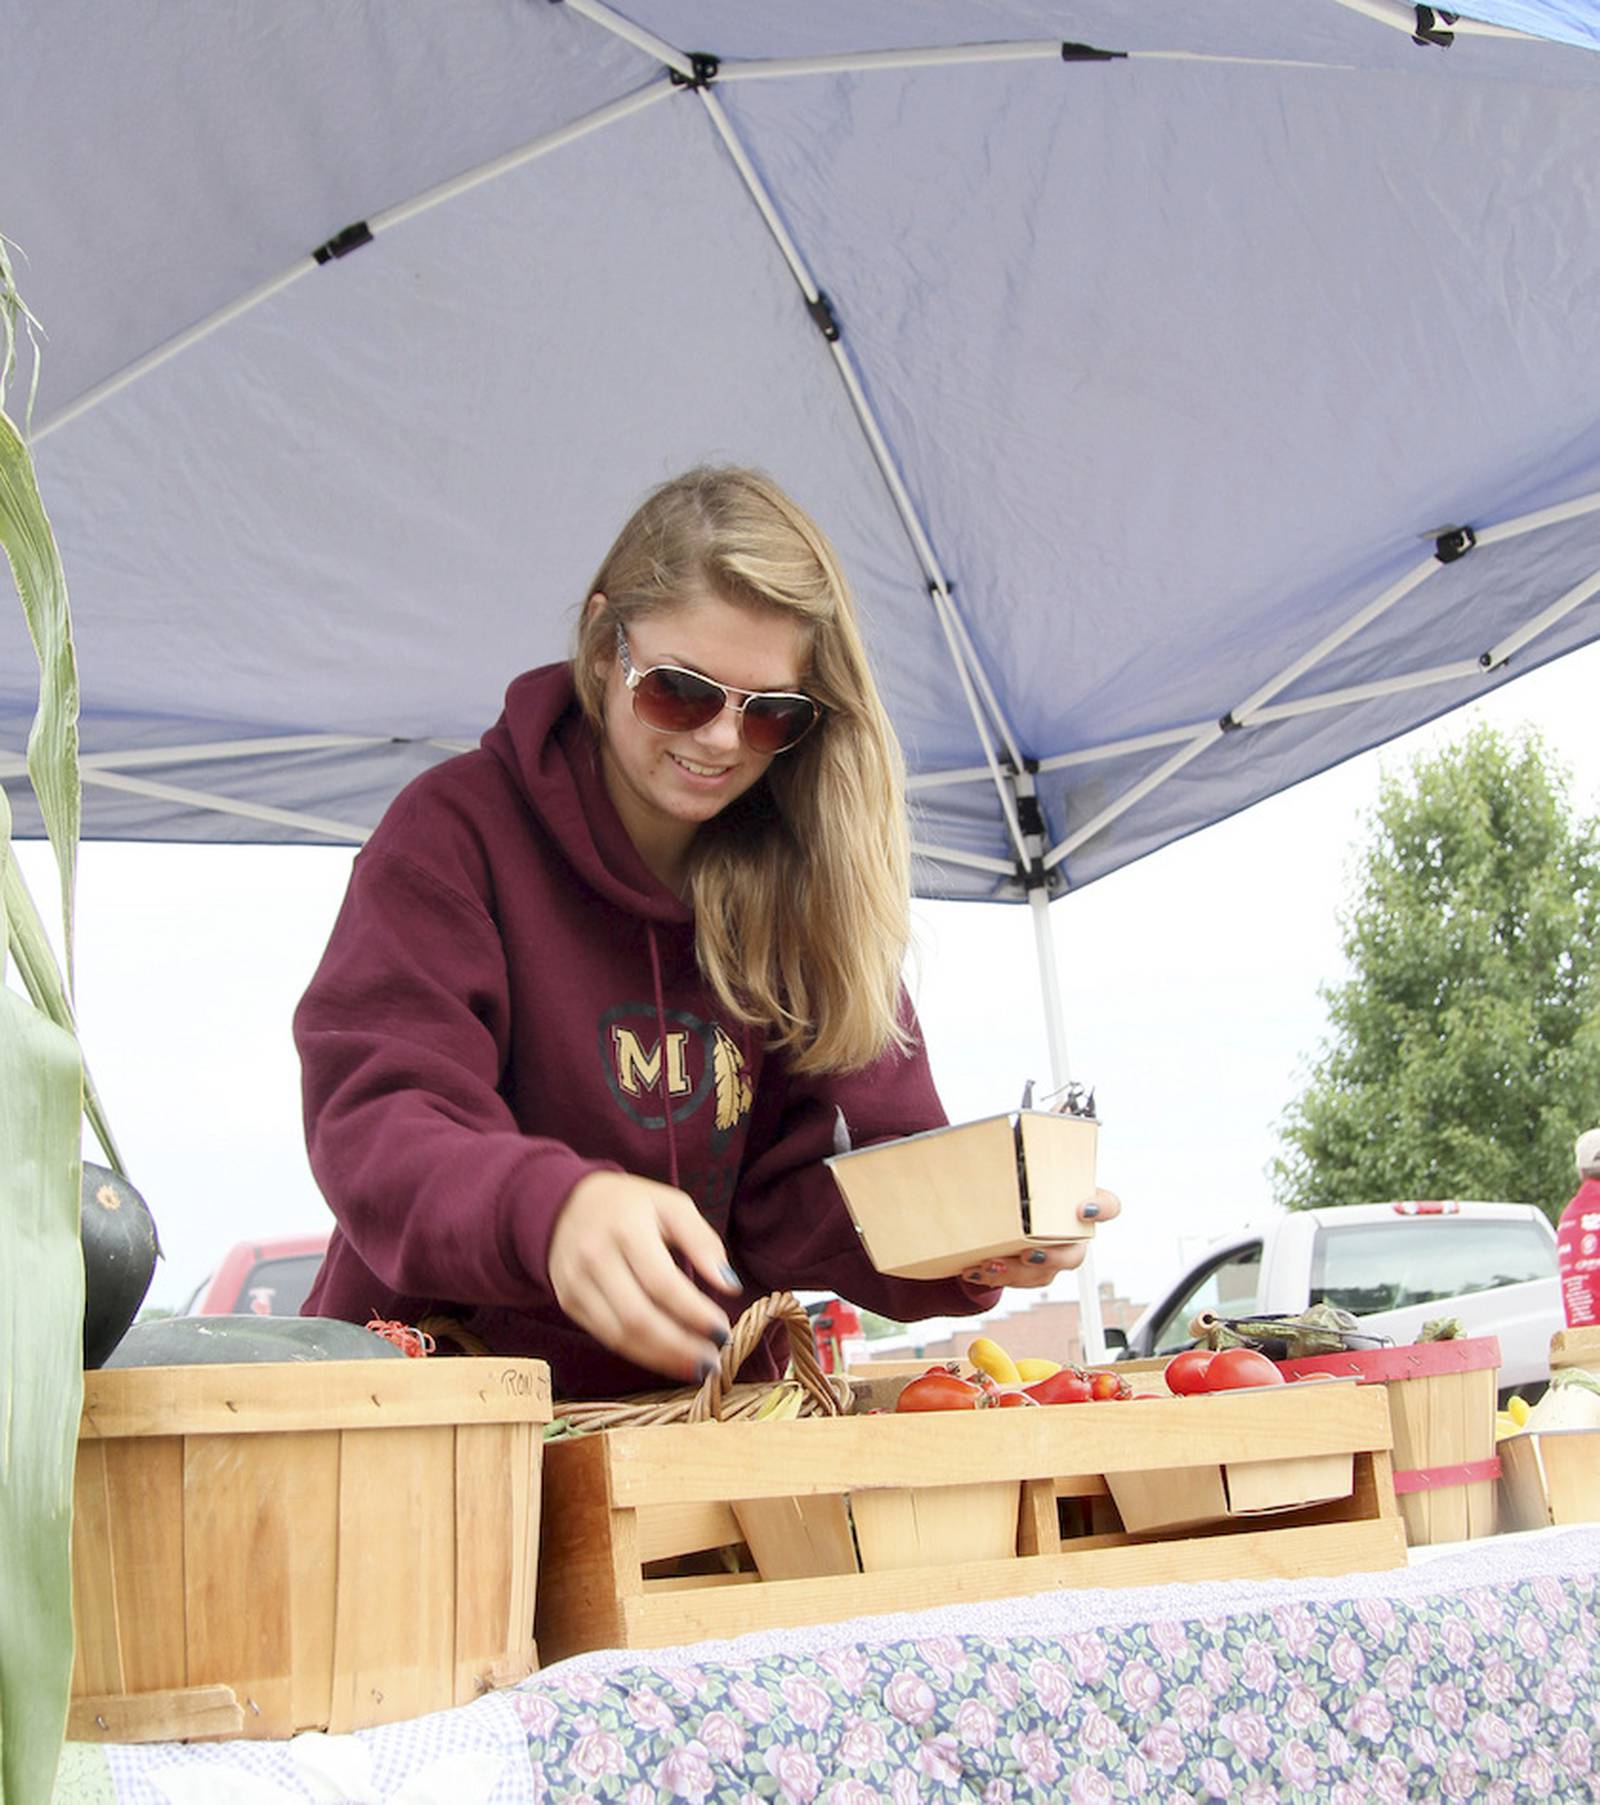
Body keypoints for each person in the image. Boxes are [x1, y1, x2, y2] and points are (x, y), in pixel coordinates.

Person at [295, 466, 1116, 1398]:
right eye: (682, 693)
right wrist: (552, 1210)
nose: (723, 740)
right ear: (605, 645)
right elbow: (381, 1121)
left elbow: (818, 1196)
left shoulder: (807, 881)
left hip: (708, 1425)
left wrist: (985, 1232)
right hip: (445, 1423)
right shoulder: (451, 836)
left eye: (770, 713)